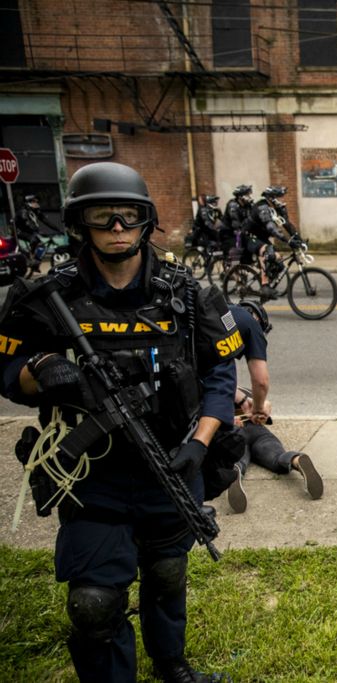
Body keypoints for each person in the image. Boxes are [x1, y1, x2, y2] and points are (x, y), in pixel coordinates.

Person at [0, 162, 239, 683]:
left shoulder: (187, 294)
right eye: (101, 217)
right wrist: (38, 374)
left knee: (168, 573)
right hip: (90, 475)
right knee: (93, 603)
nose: (115, 229)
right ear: (80, 224)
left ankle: (171, 662)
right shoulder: (47, 298)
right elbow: (7, 368)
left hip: (171, 465)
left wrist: (201, 442)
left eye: (127, 217)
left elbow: (222, 372)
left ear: (145, 222)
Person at [222, 303, 323, 513]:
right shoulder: (242, 389)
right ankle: (295, 460)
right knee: (274, 454)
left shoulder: (219, 374)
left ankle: (235, 472)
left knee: (239, 457)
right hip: (254, 426)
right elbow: (261, 386)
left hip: (229, 424)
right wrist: (259, 408)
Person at [248, 187, 301, 298]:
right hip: (249, 237)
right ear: (272, 198)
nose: (282, 200)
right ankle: (264, 285)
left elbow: (286, 224)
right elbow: (272, 228)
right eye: (280, 197)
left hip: (261, 238)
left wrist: (298, 238)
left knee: (279, 263)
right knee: (268, 252)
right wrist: (288, 241)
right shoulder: (263, 207)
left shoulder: (275, 208)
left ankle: (267, 276)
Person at [224, 184, 254, 251]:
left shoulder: (248, 205)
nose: (249, 197)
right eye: (247, 195)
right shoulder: (233, 205)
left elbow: (252, 217)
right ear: (240, 196)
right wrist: (245, 230)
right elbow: (235, 223)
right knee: (237, 252)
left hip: (241, 231)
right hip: (229, 233)